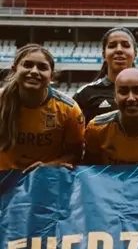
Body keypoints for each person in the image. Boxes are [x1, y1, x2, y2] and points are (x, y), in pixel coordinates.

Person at [0, 44, 84, 173]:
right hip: (4, 180)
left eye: (42, 67)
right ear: (14, 69)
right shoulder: (2, 101)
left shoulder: (69, 110)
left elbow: (75, 155)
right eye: (27, 65)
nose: (34, 71)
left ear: (52, 76)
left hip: (45, 181)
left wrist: (49, 166)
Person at [74, 27, 138, 124]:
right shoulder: (85, 94)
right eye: (112, 46)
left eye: (125, 45)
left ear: (135, 54)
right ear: (104, 55)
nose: (119, 50)